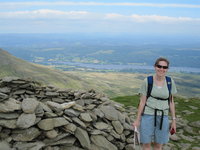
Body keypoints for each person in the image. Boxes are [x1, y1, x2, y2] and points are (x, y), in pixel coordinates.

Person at [133, 57, 177, 150]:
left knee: (158, 145)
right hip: (148, 115)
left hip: (163, 116)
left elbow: (171, 102)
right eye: (159, 66)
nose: (161, 69)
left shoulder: (170, 82)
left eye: (164, 67)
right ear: (155, 67)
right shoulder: (148, 81)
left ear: (167, 69)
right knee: (146, 144)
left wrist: (173, 120)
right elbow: (142, 102)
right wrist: (137, 120)